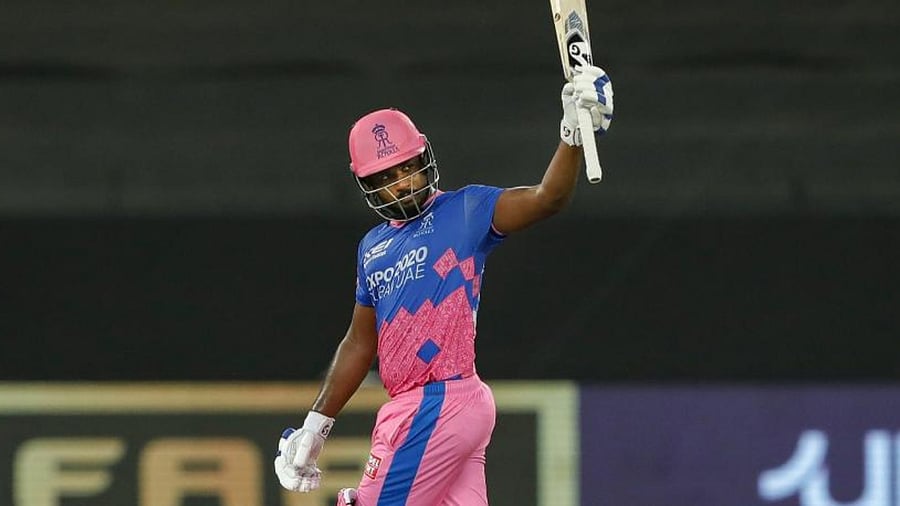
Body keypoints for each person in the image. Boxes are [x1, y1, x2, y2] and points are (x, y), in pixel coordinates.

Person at [274, 65, 614, 506]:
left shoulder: (465, 210)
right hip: (435, 408)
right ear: (366, 184)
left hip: (436, 402)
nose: (401, 184)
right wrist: (315, 425)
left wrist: (572, 135)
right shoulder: (372, 248)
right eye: (385, 178)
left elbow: (546, 197)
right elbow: (360, 342)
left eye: (407, 168)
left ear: (425, 160)